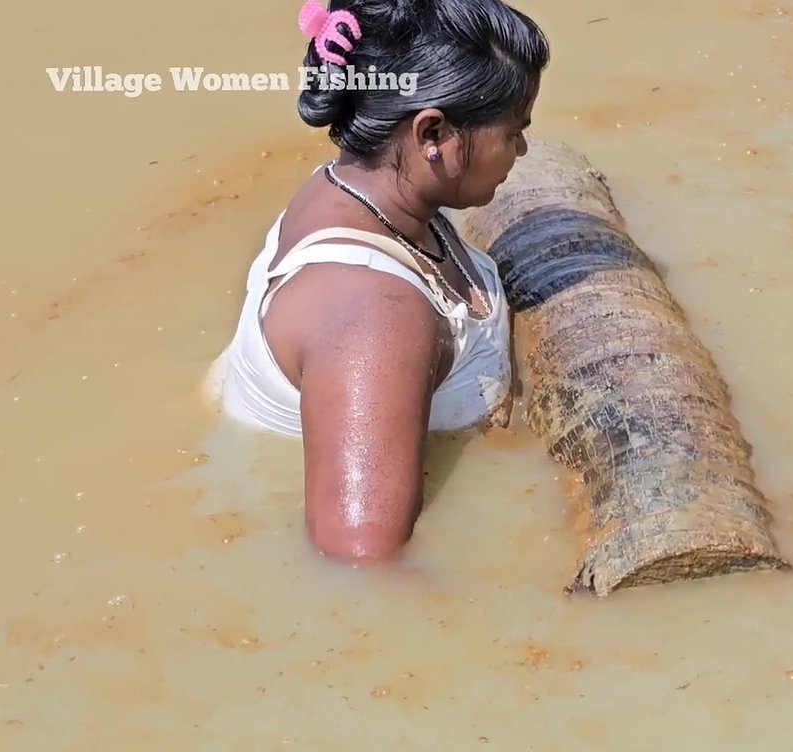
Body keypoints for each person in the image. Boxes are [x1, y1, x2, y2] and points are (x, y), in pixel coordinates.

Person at [205, 0, 550, 564]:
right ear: (432, 132)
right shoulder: (376, 316)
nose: (523, 149)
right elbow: (362, 564)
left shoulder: (354, 189)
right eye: (514, 131)